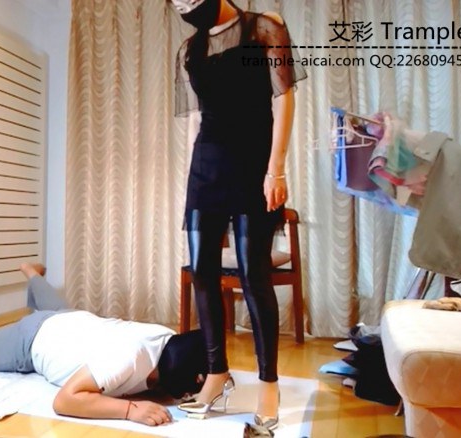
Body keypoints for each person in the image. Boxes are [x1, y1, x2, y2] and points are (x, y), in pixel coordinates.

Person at [170, 0, 306, 429]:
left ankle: (268, 384)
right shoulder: (190, 49)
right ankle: (216, 374)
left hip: (253, 161)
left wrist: (276, 169)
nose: (184, 7)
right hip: (206, 165)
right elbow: (196, 118)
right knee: (202, 270)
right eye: (176, 3)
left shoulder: (264, 28)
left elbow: (284, 97)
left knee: (253, 274)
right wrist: (193, 176)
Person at [0, 263, 209, 427]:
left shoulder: (164, 335)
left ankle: (33, 275)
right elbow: (65, 401)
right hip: (32, 339)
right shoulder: (125, 361)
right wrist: (131, 410)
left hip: (72, 319)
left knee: (56, 311)